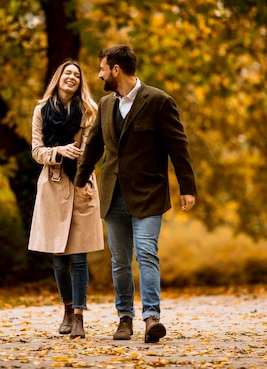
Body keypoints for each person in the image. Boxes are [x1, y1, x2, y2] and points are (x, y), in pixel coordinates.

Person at [75, 45, 197, 343]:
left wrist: (187, 187)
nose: (99, 74)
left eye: (102, 68)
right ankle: (125, 319)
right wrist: (80, 180)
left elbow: (178, 147)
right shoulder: (105, 104)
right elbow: (94, 145)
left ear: (116, 69)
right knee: (119, 260)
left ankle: (151, 318)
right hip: (113, 192)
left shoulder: (158, 101)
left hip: (149, 193)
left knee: (146, 253)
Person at [28, 59, 104, 339]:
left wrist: (83, 174)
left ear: (80, 82)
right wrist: (58, 151)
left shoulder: (88, 112)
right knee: (58, 257)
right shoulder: (41, 111)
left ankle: (80, 317)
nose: (71, 77)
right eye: (67, 73)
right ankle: (67, 309)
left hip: (81, 184)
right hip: (53, 184)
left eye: (76, 74)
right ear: (58, 78)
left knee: (79, 256)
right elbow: (37, 151)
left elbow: (92, 150)